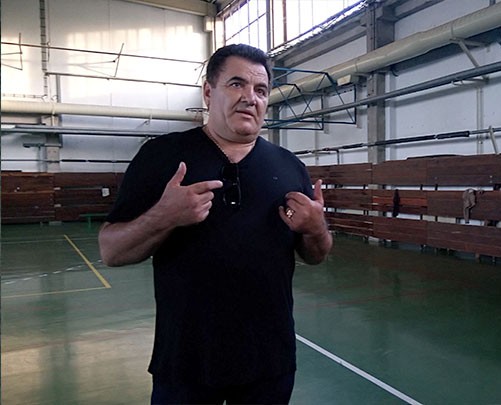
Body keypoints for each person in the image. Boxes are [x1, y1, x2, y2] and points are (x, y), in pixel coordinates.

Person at [98, 44, 333, 404]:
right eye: (237, 84)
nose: (250, 97)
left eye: (260, 90)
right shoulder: (161, 156)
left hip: (269, 361)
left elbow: (316, 256)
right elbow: (111, 251)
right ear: (208, 92)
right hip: (185, 361)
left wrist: (316, 228)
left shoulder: (290, 167)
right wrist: (164, 215)